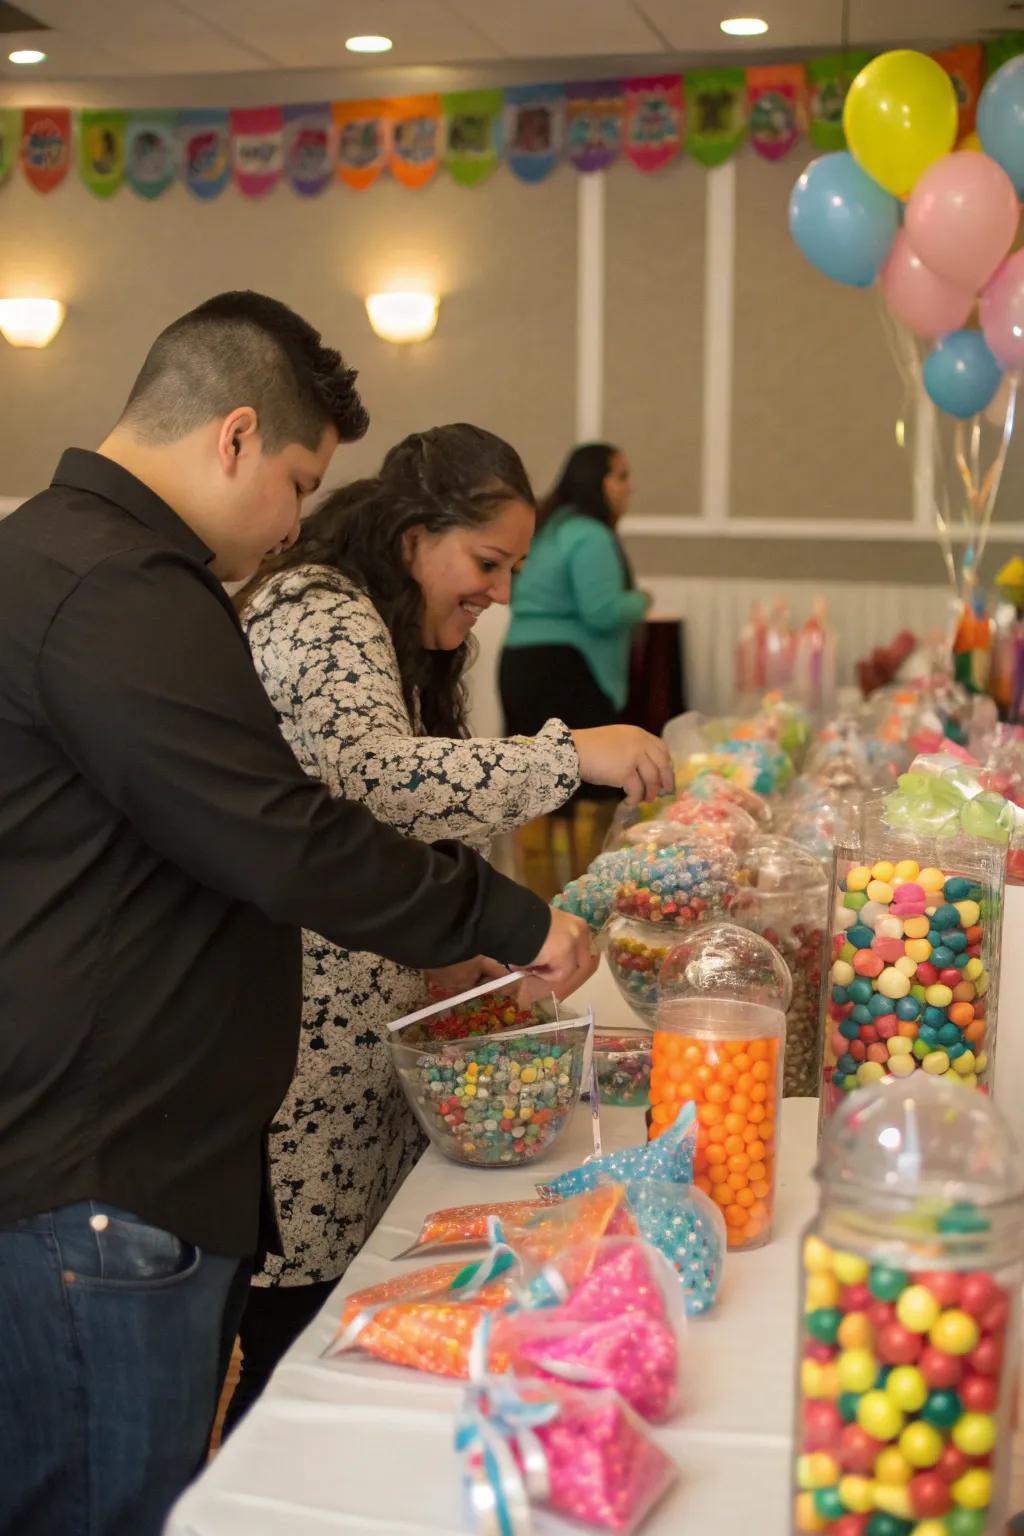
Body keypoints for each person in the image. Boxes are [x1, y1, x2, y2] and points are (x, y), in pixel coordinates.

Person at [0, 292, 596, 1536]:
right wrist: (500, 914)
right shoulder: (110, 587)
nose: (296, 520)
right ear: (230, 438)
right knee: (108, 1505)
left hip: (135, 1148)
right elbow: (280, 831)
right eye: (297, 479)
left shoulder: (102, 565)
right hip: (103, 1163)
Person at [224, 423, 673, 1427]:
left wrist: (452, 938)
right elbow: (372, 778)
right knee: (303, 1349)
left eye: (510, 569)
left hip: (364, 1032)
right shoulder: (320, 609)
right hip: (294, 1041)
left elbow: (395, 827)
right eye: (485, 563)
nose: (499, 593)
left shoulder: (391, 627)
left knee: (365, 1312)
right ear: (413, 533)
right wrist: (569, 756)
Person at [500, 442, 649, 745]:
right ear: (597, 481)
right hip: (567, 670)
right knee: (581, 778)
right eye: (621, 477)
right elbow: (602, 614)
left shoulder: (544, 527)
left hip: (518, 663)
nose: (630, 487)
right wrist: (642, 600)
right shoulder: (590, 534)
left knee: (529, 776)